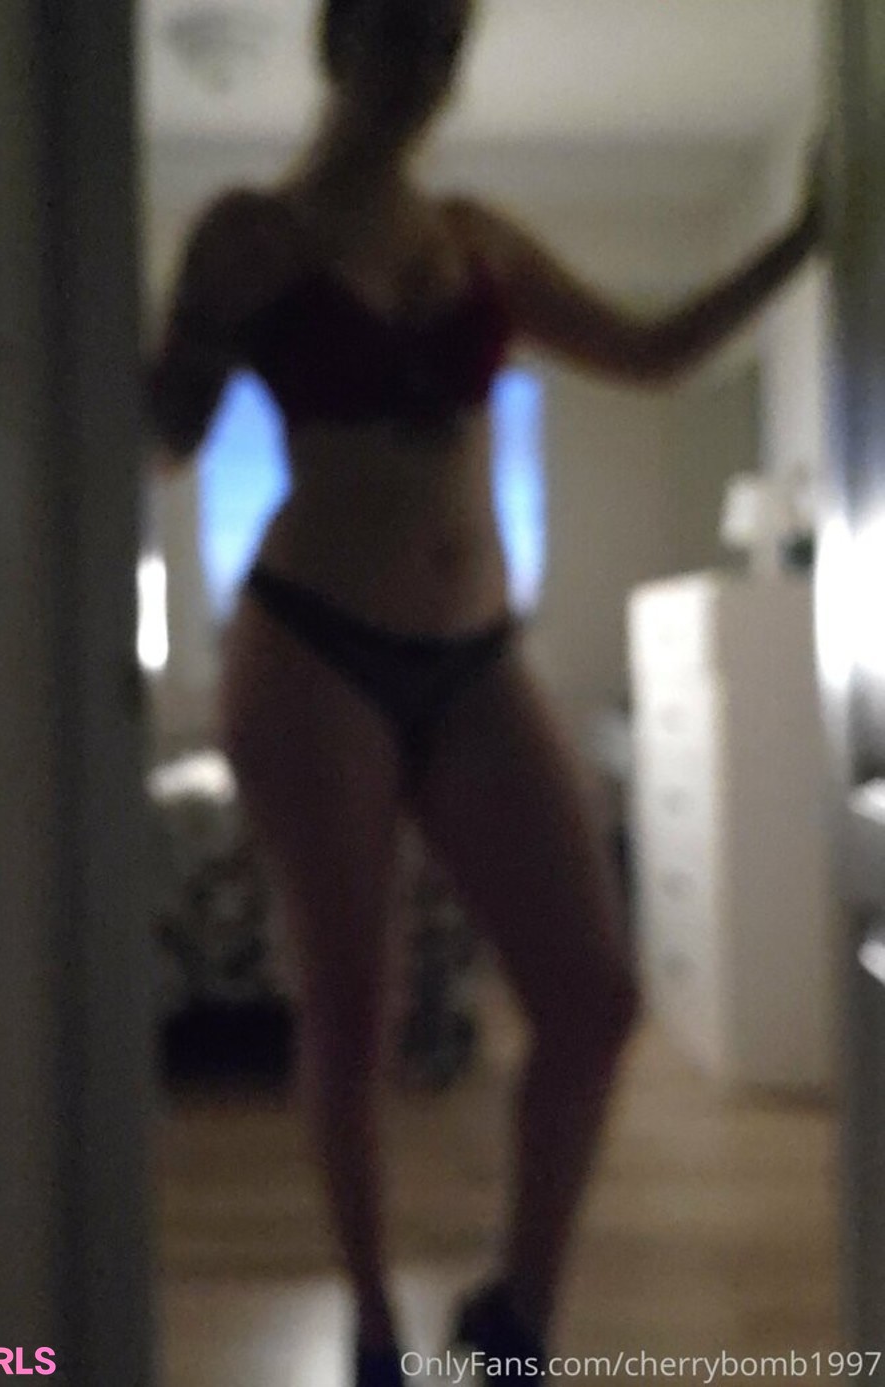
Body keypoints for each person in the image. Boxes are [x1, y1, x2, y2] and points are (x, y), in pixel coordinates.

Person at [145, 2, 823, 1381]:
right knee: (353, 1008)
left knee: (592, 999)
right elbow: (165, 437)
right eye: (402, 37)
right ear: (339, 44)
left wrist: (800, 241)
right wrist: (172, 325)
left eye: (447, 46)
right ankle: (373, 1326)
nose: (426, 72)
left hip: (476, 655)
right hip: (311, 646)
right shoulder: (249, 236)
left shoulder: (477, 239)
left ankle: (515, 1319)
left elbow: (652, 353)